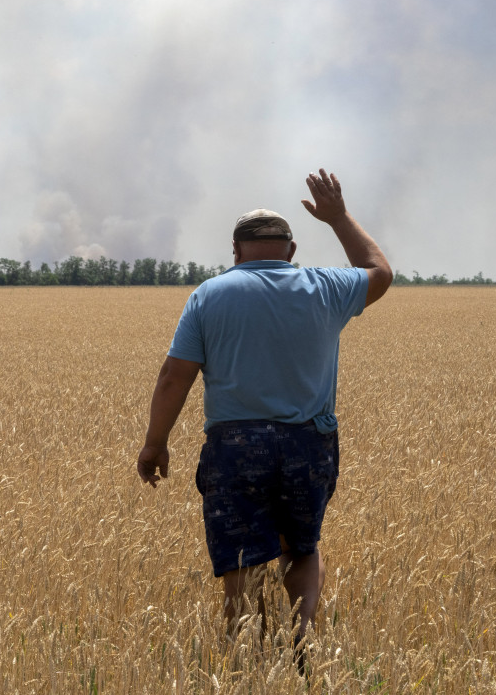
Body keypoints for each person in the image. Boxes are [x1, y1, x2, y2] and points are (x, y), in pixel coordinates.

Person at [136, 169, 392, 653]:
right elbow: (379, 271)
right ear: (292, 252)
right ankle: (300, 642)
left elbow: (174, 376)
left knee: (241, 557)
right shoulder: (326, 288)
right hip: (308, 443)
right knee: (301, 547)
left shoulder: (209, 295)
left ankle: (242, 653)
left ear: (235, 251)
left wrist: (155, 442)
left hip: (235, 448)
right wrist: (338, 219)